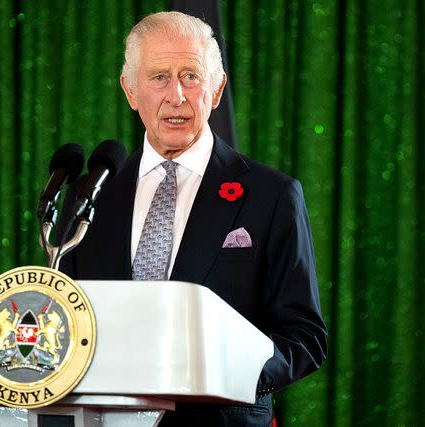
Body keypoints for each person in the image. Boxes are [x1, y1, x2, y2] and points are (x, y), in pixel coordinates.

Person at [60, 11, 327, 426]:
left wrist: (221, 376)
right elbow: (62, 319)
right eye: (159, 77)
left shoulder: (271, 197)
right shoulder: (91, 199)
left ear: (217, 90)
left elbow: (304, 338)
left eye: (191, 76)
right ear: (130, 90)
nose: (177, 96)